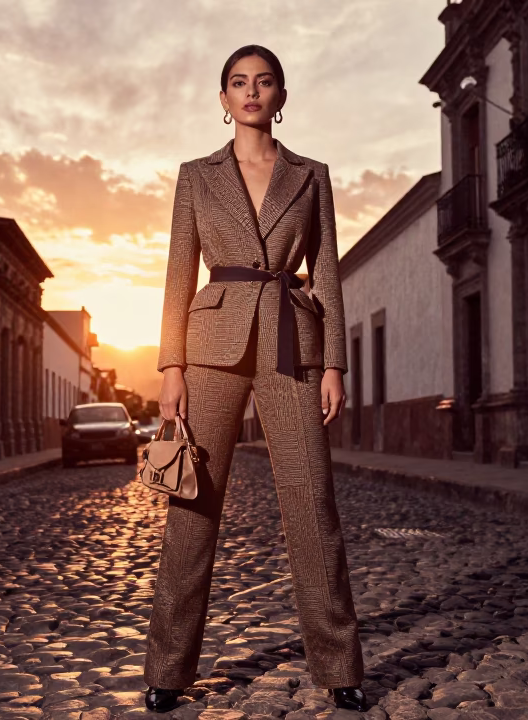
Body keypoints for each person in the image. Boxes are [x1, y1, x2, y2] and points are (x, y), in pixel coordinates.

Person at [142, 44, 367, 713]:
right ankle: (167, 670)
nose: (250, 92)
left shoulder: (312, 176)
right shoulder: (196, 176)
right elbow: (178, 271)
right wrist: (171, 366)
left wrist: (334, 362)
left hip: (292, 340)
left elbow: (326, 271)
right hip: (210, 342)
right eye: (238, 83)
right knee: (193, 507)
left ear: (281, 96)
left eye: (263, 82)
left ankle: (341, 667)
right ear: (222, 100)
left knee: (313, 502)